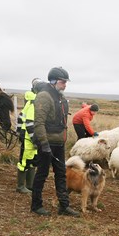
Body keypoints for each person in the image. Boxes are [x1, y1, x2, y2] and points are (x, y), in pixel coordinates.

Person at [30, 67, 79, 217]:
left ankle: (64, 206)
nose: (65, 85)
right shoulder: (44, 96)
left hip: (59, 143)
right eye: (63, 82)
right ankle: (36, 205)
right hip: (47, 144)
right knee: (42, 174)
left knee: (61, 174)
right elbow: (39, 123)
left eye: (65, 82)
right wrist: (44, 144)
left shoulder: (59, 96)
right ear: (53, 81)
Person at [15, 78, 40, 194]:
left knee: (32, 160)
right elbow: (29, 123)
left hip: (30, 136)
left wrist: (18, 130)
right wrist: (34, 140)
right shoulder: (34, 103)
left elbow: (21, 116)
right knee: (24, 161)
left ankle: (30, 185)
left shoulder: (32, 102)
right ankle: (20, 187)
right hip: (29, 137)